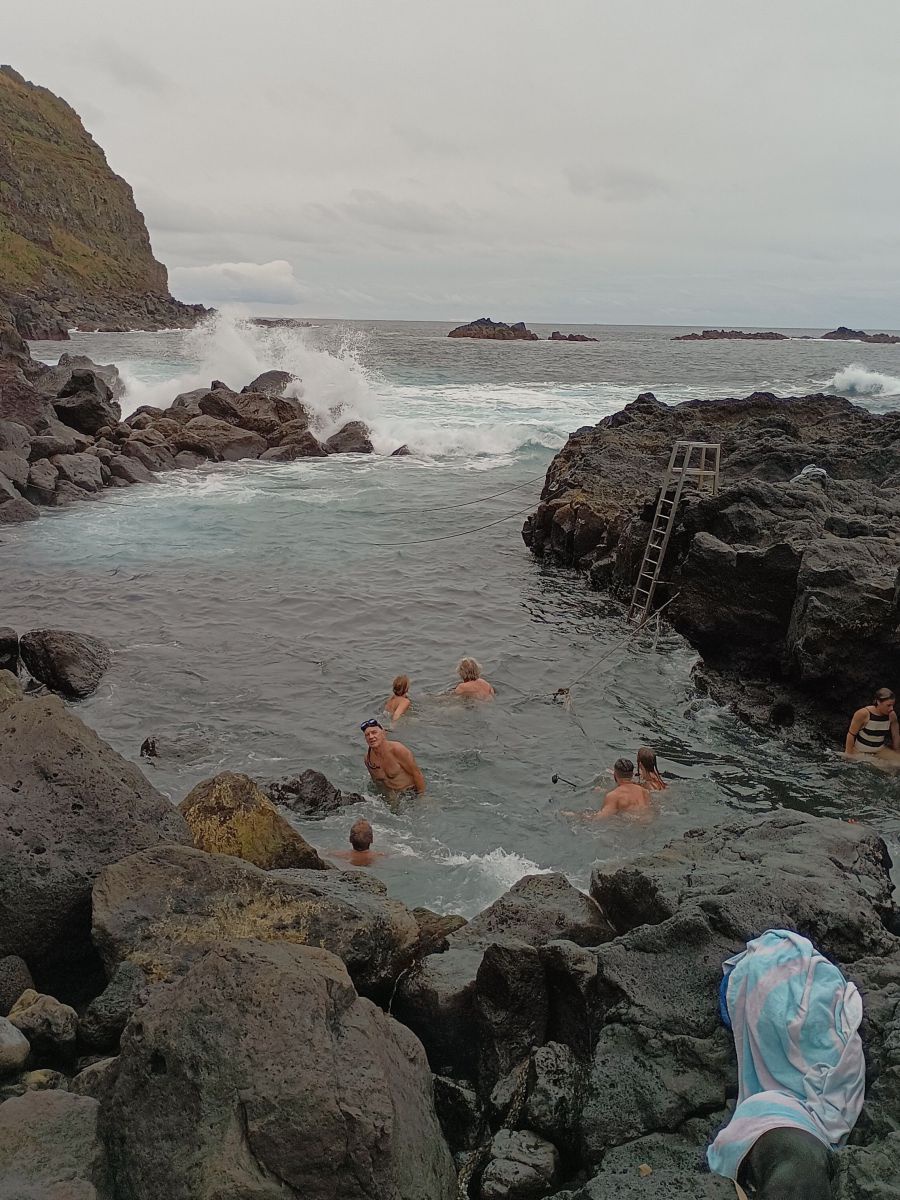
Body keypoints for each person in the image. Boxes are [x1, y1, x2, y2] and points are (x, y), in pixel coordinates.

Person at [361, 719, 426, 795]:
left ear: (383, 733)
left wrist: (421, 796)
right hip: (393, 796)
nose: (371, 737)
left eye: (374, 732)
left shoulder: (398, 750)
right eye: (367, 735)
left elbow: (417, 774)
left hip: (410, 793)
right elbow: (377, 783)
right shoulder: (368, 759)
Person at [845, 687, 900, 765]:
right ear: (878, 702)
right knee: (884, 766)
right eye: (888, 705)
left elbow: (895, 735)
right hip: (861, 751)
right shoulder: (863, 713)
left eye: (893, 705)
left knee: (897, 765)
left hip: (880, 751)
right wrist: (848, 755)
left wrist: (897, 753)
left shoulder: (892, 715)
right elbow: (851, 734)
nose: (891, 708)